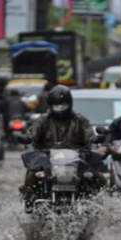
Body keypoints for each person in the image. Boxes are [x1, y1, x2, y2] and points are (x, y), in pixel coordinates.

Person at [22, 85, 95, 213]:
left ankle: (98, 206)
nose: (60, 109)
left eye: (63, 105)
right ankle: (30, 205)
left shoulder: (81, 120)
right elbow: (31, 138)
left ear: (70, 103)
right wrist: (31, 150)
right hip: (47, 163)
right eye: (57, 105)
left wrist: (95, 150)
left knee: (99, 177)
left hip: (76, 162)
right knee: (31, 176)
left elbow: (91, 139)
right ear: (50, 105)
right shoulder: (42, 120)